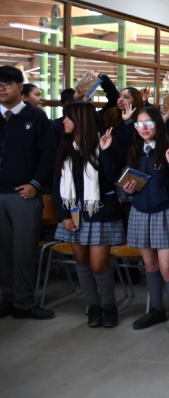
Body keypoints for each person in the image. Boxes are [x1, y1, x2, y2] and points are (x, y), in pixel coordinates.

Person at [101, 106, 169, 333]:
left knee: (166, 268)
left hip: (164, 212)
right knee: (150, 266)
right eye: (139, 124)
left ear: (158, 123)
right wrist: (127, 187)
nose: (143, 128)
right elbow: (116, 177)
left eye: (148, 123)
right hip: (140, 212)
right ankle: (156, 310)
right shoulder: (134, 150)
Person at [53, 101, 125, 328]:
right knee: (81, 262)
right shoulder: (66, 145)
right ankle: (93, 306)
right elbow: (57, 183)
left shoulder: (105, 141)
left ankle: (109, 306)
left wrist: (106, 151)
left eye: (67, 117)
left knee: (98, 265)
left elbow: (113, 176)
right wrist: (63, 215)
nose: (63, 121)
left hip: (100, 210)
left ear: (80, 120)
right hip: (74, 211)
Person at [0, 65, 56, 320]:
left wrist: (35, 183)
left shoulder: (36, 117)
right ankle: (8, 299)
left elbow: (48, 155)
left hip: (24, 195)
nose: (2, 88)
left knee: (23, 252)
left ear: (20, 87)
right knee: (3, 251)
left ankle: (23, 302)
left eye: (7, 83)